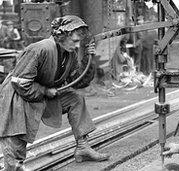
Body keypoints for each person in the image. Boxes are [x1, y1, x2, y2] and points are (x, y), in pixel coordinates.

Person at [0, 15, 110, 171]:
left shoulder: (68, 54)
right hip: (17, 95)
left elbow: (78, 82)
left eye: (79, 42)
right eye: (75, 41)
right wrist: (45, 90)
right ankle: (14, 167)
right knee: (17, 130)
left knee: (75, 98)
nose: (78, 46)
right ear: (62, 36)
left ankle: (83, 147)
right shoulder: (40, 48)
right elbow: (20, 82)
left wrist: (87, 58)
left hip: (41, 92)